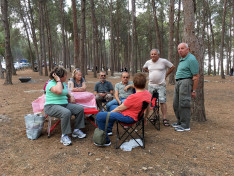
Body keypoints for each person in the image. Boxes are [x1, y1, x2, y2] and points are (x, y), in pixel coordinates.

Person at [95, 72, 152, 147]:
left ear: (133, 84)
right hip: (137, 116)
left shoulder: (133, 97)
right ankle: (108, 129)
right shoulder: (148, 94)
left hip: (129, 118)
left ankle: (106, 141)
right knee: (112, 107)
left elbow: (120, 108)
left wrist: (109, 114)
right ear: (145, 83)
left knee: (99, 115)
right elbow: (148, 108)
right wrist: (145, 118)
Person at [44, 66, 86, 146]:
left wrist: (71, 96)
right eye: (65, 75)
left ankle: (76, 130)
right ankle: (64, 135)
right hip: (51, 106)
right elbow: (59, 91)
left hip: (64, 104)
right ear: (60, 76)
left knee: (80, 109)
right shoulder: (50, 84)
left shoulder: (63, 83)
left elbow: (66, 91)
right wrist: (58, 81)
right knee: (66, 113)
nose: (66, 76)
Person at [143, 49, 175, 127]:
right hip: (151, 85)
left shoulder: (163, 61)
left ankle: (164, 118)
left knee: (162, 101)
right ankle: (155, 116)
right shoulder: (148, 62)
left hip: (161, 85)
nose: (153, 55)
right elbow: (144, 68)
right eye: (152, 54)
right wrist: (150, 72)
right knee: (152, 101)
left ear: (158, 55)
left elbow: (172, 67)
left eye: (155, 54)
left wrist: (166, 74)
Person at [172, 43, 199, 132]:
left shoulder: (191, 59)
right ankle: (179, 122)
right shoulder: (182, 59)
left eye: (182, 48)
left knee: (184, 103)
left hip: (186, 82)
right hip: (178, 82)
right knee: (176, 104)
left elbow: (196, 76)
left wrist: (194, 90)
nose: (180, 50)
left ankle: (185, 125)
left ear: (187, 49)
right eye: (178, 48)